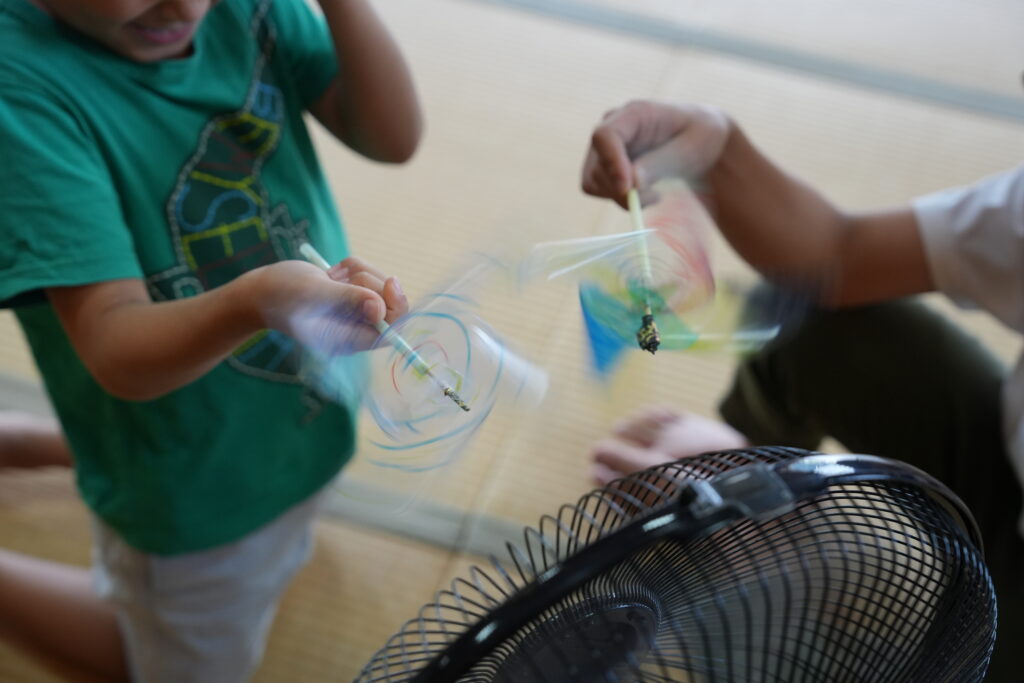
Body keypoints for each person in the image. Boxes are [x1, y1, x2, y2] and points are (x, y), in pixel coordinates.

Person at [0, 0, 420, 681]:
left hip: (284, 423)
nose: (186, 6)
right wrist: (256, 300)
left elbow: (391, 137)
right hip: (184, 481)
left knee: (268, 541)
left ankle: (29, 441)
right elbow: (114, 344)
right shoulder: (18, 92)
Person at [581, 99, 1023, 680]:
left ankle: (760, 533)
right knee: (806, 315)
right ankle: (757, 470)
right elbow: (841, 251)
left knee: (753, 636)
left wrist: (802, 542)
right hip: (1007, 456)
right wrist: (715, 149)